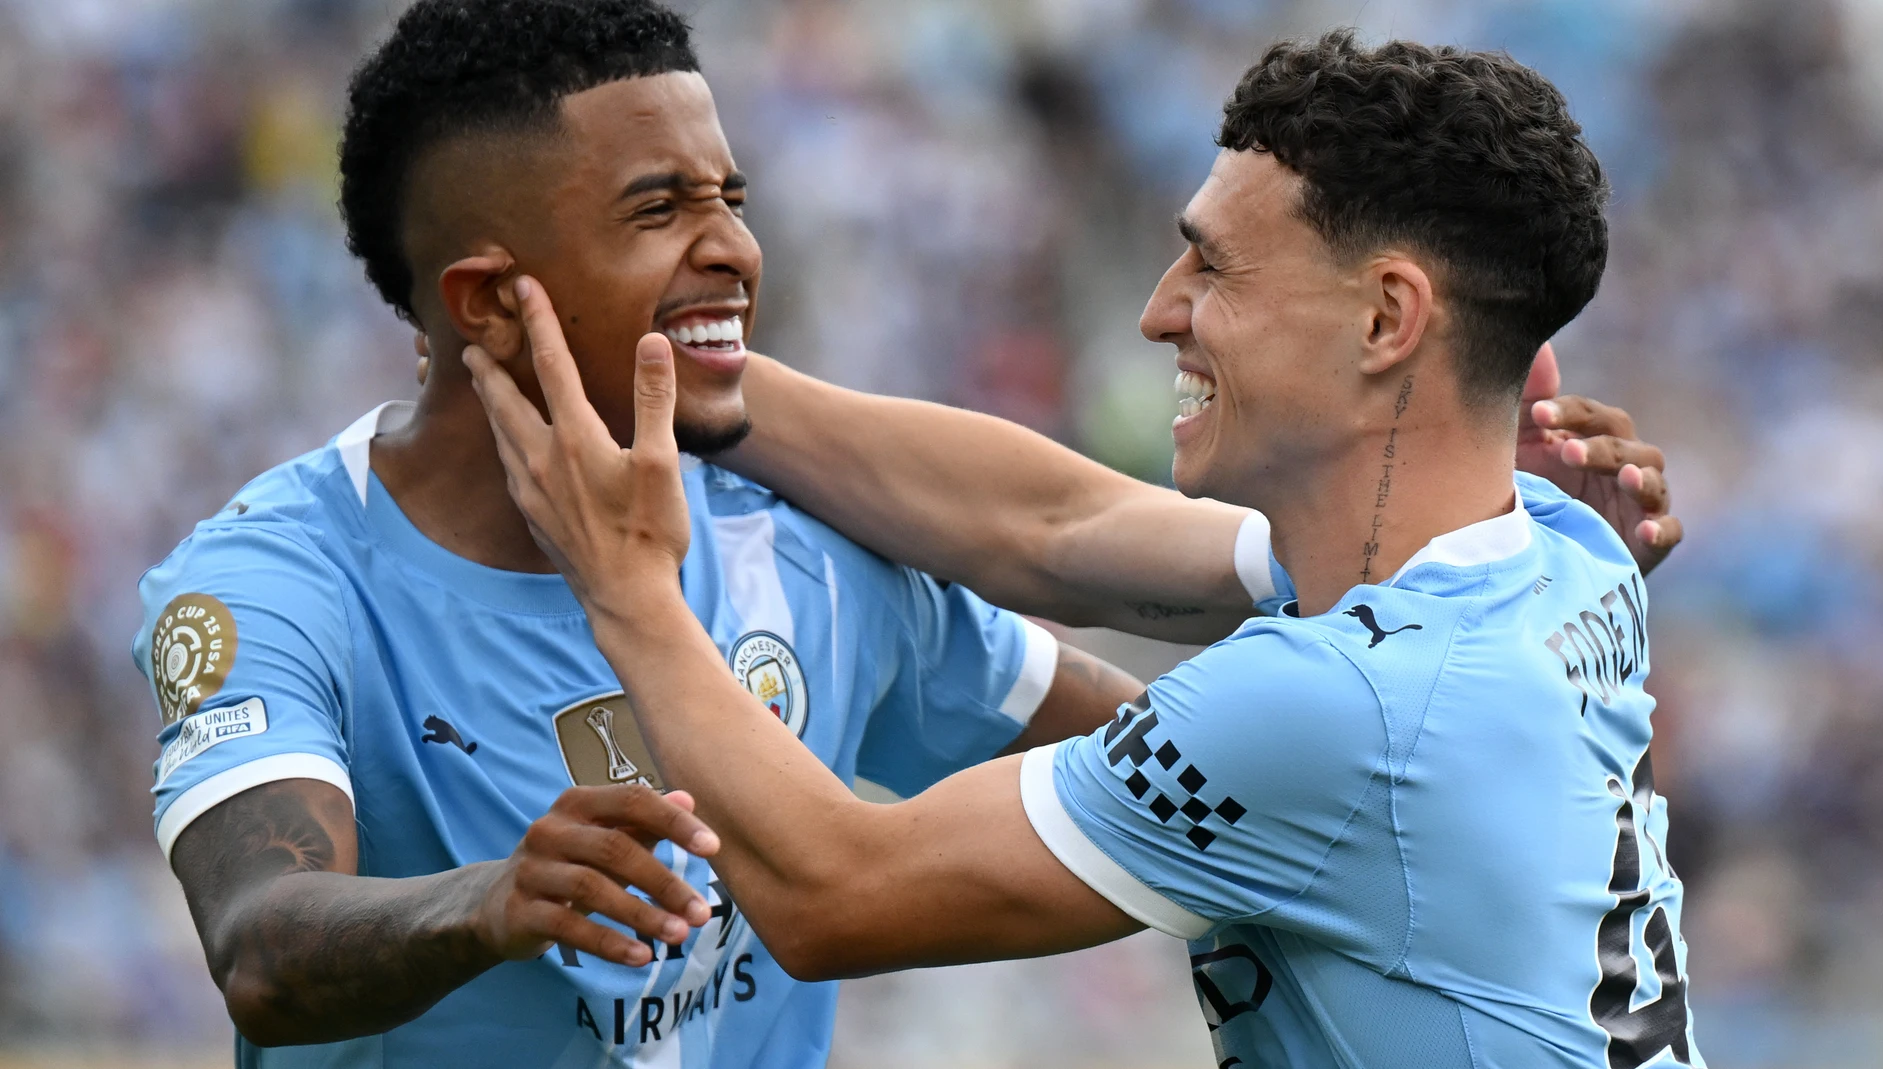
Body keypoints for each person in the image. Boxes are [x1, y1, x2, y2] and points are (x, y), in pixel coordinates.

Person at [467, 30, 1704, 1069]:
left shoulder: (1340, 702)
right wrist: (699, 377)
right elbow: (1055, 530)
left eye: (1213, 265)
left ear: (1386, 318)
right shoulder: (1560, 542)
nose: (1160, 308)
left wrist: (627, 583)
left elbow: (835, 891)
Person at [136, 3, 1148, 1066]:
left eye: (732, 199)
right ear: (485, 301)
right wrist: (489, 903)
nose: (736, 252)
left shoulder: (797, 539)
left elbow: (1169, 757)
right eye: (658, 210)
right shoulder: (273, 582)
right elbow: (261, 949)